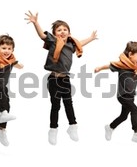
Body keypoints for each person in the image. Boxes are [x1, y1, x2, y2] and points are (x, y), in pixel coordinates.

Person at [25, 11, 97, 145]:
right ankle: (53, 129)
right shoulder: (53, 41)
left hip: (65, 79)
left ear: (69, 33)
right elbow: (42, 35)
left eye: (65, 29)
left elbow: (80, 43)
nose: (62, 32)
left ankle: (72, 126)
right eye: (59, 30)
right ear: (54, 33)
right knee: (56, 105)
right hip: (53, 79)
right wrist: (36, 23)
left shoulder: (71, 45)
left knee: (69, 103)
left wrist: (91, 38)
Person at [94, 41, 137, 145]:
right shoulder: (122, 65)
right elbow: (110, 65)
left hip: (130, 96)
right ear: (130, 54)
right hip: (123, 95)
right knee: (135, 109)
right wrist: (100, 68)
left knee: (124, 116)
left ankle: (110, 127)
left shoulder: (134, 67)